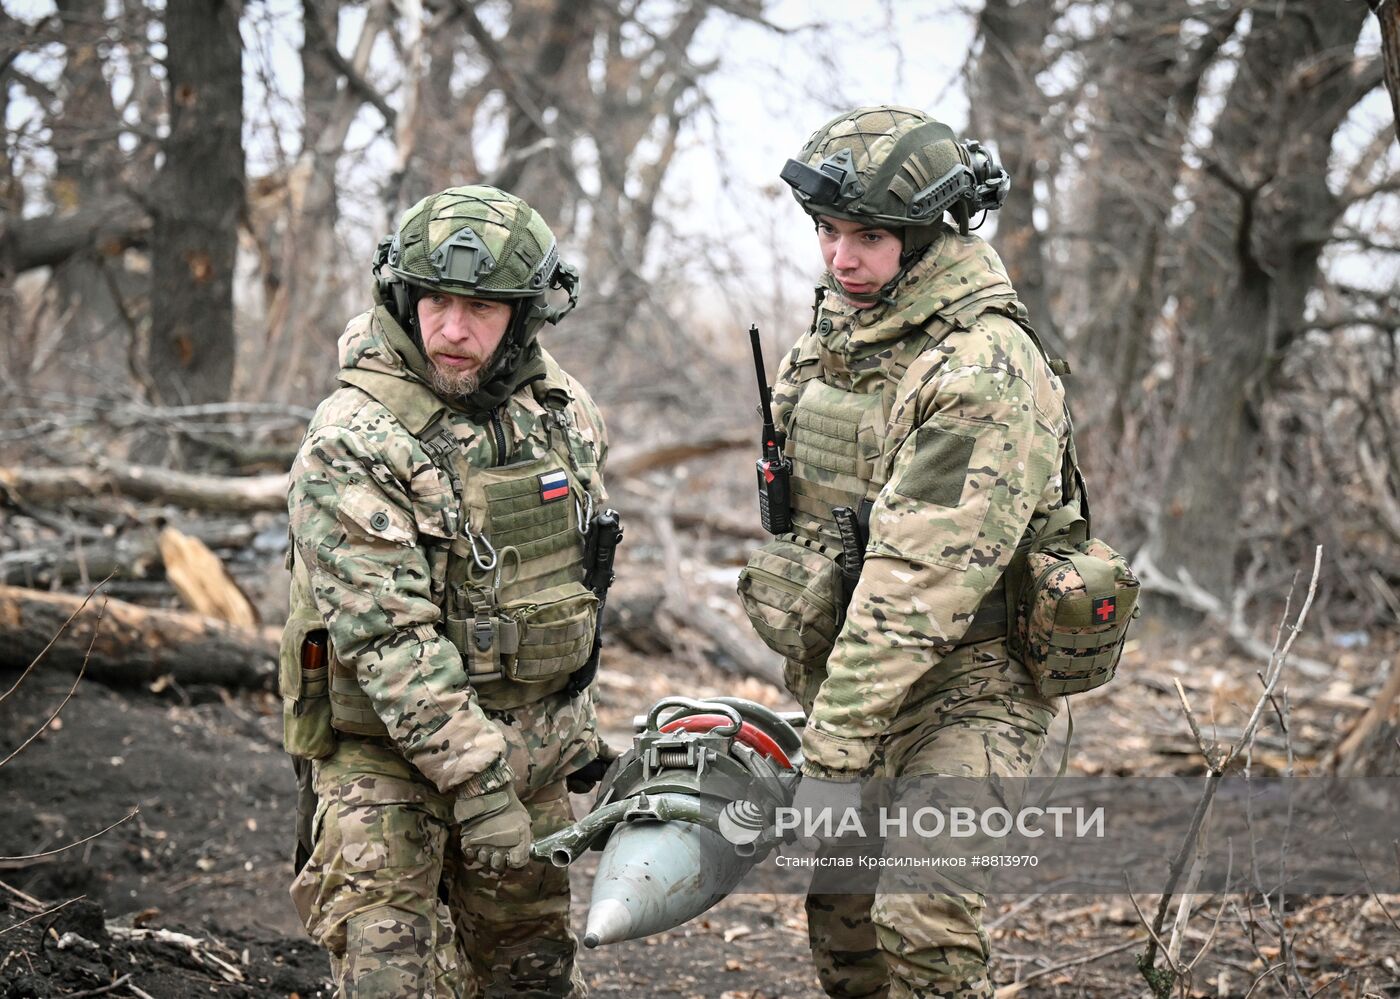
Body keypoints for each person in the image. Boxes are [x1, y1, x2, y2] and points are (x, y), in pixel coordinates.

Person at [739, 106, 1073, 998]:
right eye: (827, 231)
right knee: (845, 925)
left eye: (871, 236)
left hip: (977, 678)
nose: (841, 257)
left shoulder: (982, 368)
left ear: (927, 240)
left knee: (921, 918)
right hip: (862, 671)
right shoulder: (847, 331)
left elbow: (919, 581)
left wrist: (835, 745)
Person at [281, 184, 613, 998]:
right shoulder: (353, 437)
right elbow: (390, 638)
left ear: (526, 317)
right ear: (403, 293)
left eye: (482, 308)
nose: (452, 330)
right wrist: (478, 785)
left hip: (525, 754)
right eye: (435, 300)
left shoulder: (559, 412)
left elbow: (567, 583)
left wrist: (575, 740)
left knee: (530, 976)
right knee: (392, 976)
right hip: (385, 761)